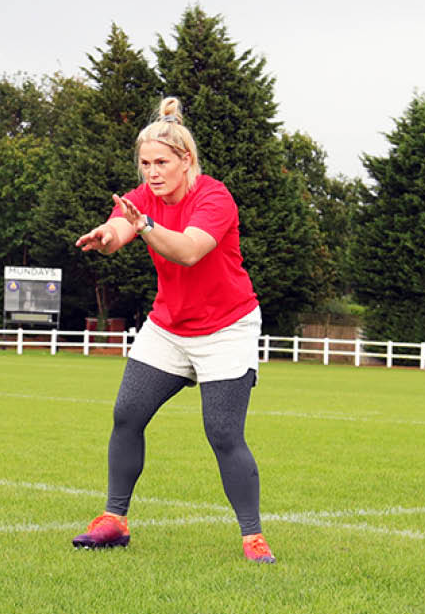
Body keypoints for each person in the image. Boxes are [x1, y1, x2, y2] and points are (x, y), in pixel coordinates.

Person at [73, 97, 276, 563]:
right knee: (127, 414)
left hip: (227, 328)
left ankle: (253, 538)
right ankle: (114, 522)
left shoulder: (214, 197)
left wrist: (140, 226)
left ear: (187, 161)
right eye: (145, 164)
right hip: (168, 327)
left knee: (223, 433)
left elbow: (187, 251)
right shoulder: (144, 199)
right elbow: (120, 228)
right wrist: (107, 238)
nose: (151, 173)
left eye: (161, 162)